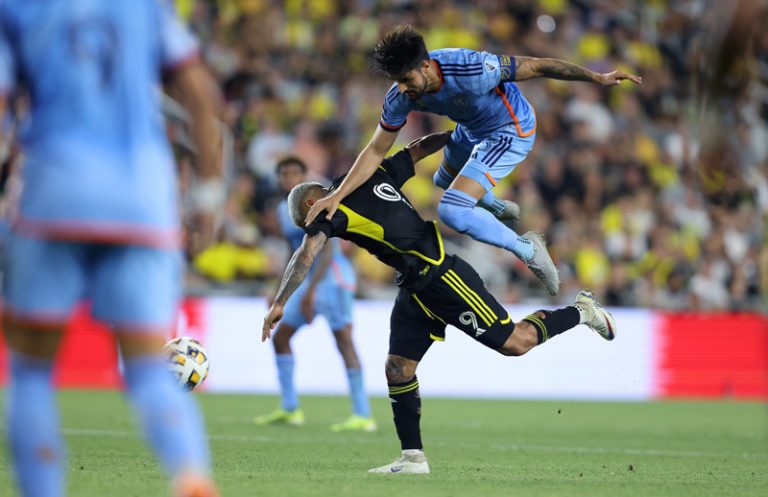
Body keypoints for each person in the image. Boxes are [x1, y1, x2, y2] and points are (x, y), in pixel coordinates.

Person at [263, 131, 617, 474]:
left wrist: (280, 302)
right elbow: (417, 148)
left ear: (312, 205)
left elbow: (305, 255)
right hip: (414, 287)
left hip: (442, 276)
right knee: (398, 368)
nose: (310, 227)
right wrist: (461, 132)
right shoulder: (369, 174)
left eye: (305, 221)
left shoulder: (330, 210)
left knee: (516, 343)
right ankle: (413, 458)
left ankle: (581, 311)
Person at [0, 1, 222, 496]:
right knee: (147, 367)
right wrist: (207, 197)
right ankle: (189, 473)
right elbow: (202, 97)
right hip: (143, 195)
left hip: (53, 189)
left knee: (32, 372)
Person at [306, 24, 642, 296]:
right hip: (470, 130)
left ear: (426, 66)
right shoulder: (400, 96)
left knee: (451, 209)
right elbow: (376, 150)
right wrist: (336, 195)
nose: (403, 89)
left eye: (406, 80)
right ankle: (494, 204)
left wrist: (596, 78)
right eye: (397, 81)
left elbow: (537, 65)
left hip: (510, 130)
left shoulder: (471, 68)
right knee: (441, 182)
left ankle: (528, 249)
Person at [254, 156, 375, 432]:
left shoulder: (319, 201)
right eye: (283, 174)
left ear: (304, 174)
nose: (288, 178)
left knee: (344, 341)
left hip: (332, 279)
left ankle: (362, 413)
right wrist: (279, 293)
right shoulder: (282, 209)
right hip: (305, 281)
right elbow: (291, 251)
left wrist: (310, 292)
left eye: (294, 172)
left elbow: (328, 248)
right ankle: (289, 408)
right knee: (280, 336)